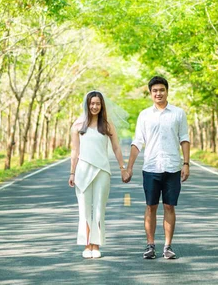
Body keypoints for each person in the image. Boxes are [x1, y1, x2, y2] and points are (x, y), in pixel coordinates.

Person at [123, 76, 190, 259]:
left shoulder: (178, 113)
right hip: (151, 166)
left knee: (169, 206)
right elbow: (137, 142)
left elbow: (184, 138)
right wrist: (129, 168)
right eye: (155, 91)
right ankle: (150, 245)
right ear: (150, 93)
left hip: (173, 167)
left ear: (167, 91)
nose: (158, 93)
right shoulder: (145, 115)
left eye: (161, 90)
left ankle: (167, 246)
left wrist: (186, 163)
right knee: (151, 206)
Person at [69, 90, 129, 259]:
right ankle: (87, 245)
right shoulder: (78, 125)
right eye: (92, 103)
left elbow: (116, 147)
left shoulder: (107, 125)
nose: (94, 106)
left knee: (99, 210)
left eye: (97, 103)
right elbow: (74, 151)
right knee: (85, 210)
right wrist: (72, 172)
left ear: (102, 105)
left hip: (102, 170)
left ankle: (96, 245)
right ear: (87, 104)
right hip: (82, 171)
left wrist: (122, 167)